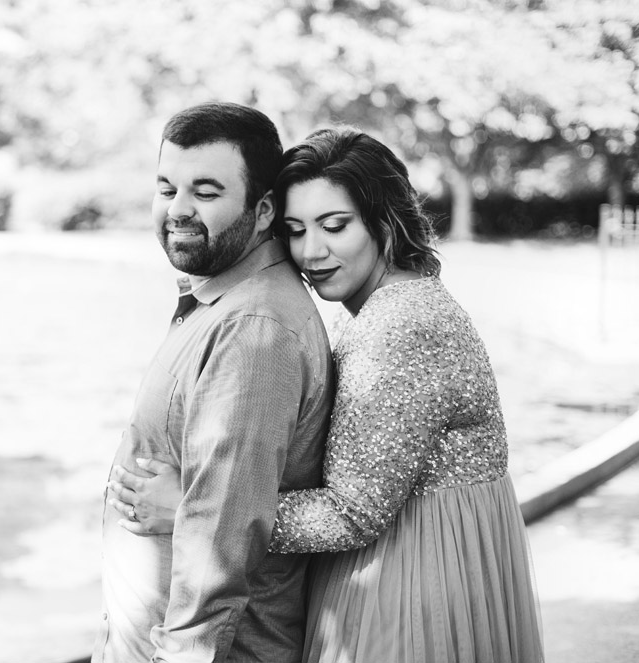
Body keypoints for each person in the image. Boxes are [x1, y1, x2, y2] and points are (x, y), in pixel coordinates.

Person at [107, 127, 545, 663]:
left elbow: (353, 513)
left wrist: (191, 509)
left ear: (385, 221)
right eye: (295, 230)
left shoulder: (400, 326)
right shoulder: (389, 306)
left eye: (334, 226)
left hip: (408, 586)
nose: (312, 252)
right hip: (411, 565)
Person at [92, 103, 335, 663]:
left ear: (264, 209)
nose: (178, 209)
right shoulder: (220, 304)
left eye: (205, 192)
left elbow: (216, 556)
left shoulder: (254, 332)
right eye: (166, 187)